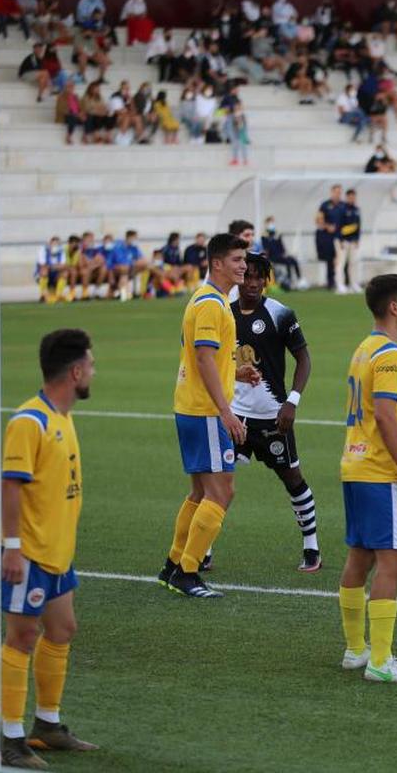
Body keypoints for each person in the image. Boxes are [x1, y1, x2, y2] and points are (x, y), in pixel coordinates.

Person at [0, 329, 99, 768]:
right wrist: (13, 549)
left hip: (59, 553)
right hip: (32, 555)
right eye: (91, 365)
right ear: (75, 371)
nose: (93, 371)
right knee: (21, 637)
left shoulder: (62, 416)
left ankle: (47, 725)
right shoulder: (29, 421)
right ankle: (9, 738)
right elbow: (10, 488)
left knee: (62, 630)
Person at [157, 234, 257, 598]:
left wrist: (236, 373)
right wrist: (226, 412)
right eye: (236, 259)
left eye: (243, 259)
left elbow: (209, 358)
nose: (243, 266)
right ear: (217, 263)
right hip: (204, 411)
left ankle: (174, 564)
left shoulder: (208, 300)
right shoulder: (212, 304)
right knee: (222, 491)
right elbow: (202, 356)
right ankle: (187, 571)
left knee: (200, 492)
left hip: (192, 406)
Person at [338, 274, 397, 684]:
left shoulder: (364, 349)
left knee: (360, 557)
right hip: (380, 471)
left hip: (354, 465)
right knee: (394, 561)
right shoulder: (391, 355)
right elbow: (386, 413)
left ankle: (357, 650)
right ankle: (380, 662)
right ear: (394, 307)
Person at [229, 253, 319, 573]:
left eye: (259, 277)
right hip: (234, 416)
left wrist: (292, 401)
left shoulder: (280, 314)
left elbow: (304, 359)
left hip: (273, 416)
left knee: (292, 477)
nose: (252, 283)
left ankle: (311, 546)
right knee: (217, 482)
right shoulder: (223, 312)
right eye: (248, 276)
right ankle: (203, 548)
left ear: (266, 280)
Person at [315, 184, 345, 291]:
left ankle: (343, 282)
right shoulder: (325, 205)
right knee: (330, 260)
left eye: (339, 192)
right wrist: (328, 226)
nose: (338, 194)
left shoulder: (343, 205)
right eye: (336, 192)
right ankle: (330, 283)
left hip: (340, 237)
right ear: (332, 192)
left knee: (341, 261)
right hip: (328, 237)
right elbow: (318, 219)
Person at [334, 188, 361, 294]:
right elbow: (338, 226)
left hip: (352, 241)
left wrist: (357, 239)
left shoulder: (356, 209)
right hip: (342, 241)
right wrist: (340, 240)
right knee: (341, 263)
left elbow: (358, 226)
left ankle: (353, 284)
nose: (352, 199)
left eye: (353, 197)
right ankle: (340, 285)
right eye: (350, 197)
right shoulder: (341, 209)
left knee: (353, 262)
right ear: (347, 197)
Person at [35, 236, 67, 304]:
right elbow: (42, 265)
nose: (56, 246)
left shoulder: (61, 251)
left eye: (57, 244)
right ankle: (43, 294)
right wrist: (56, 266)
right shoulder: (43, 250)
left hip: (55, 274)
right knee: (44, 271)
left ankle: (58, 295)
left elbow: (63, 265)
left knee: (64, 273)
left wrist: (51, 267)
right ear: (50, 243)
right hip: (41, 275)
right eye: (54, 244)